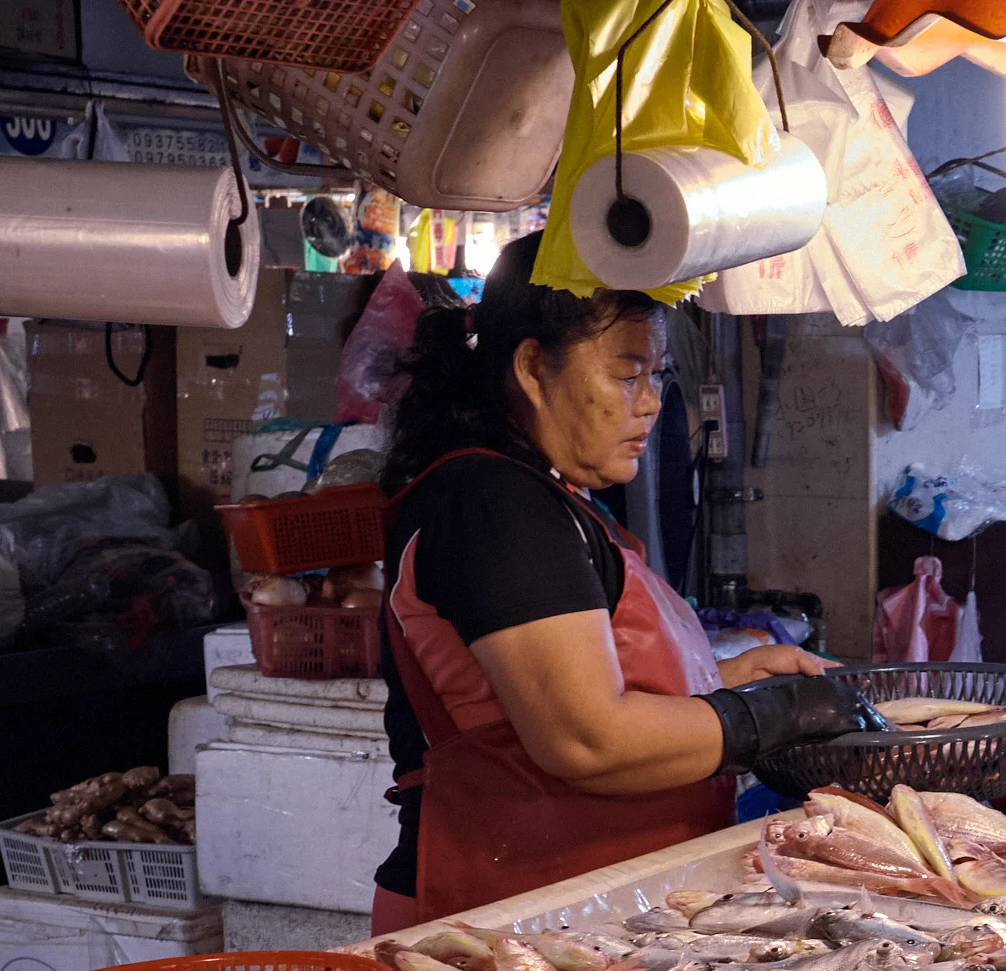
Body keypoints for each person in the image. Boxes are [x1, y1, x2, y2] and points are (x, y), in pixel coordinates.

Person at [370, 235, 873, 932]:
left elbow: (548, 692)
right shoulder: (492, 503)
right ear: (532, 368)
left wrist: (724, 680)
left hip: (586, 909)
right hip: (501, 924)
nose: (649, 406)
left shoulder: (547, 498)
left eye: (656, 377)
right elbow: (584, 737)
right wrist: (777, 714)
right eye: (625, 374)